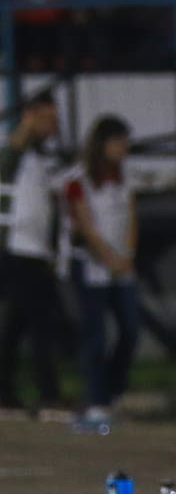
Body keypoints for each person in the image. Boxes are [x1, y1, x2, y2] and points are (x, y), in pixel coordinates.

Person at [61, 115, 140, 431]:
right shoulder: (78, 180)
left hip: (121, 266)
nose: (123, 148)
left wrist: (127, 256)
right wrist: (107, 256)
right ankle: (97, 400)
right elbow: (84, 225)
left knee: (130, 330)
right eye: (118, 141)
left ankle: (112, 390)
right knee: (95, 335)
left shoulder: (125, 178)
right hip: (91, 265)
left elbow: (132, 218)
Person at [0, 91, 69, 419]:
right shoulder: (12, 153)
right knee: (41, 323)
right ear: (30, 115)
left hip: (37, 251)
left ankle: (5, 394)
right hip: (17, 250)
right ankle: (49, 396)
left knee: (17, 325)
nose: (53, 126)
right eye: (48, 118)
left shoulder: (43, 158)